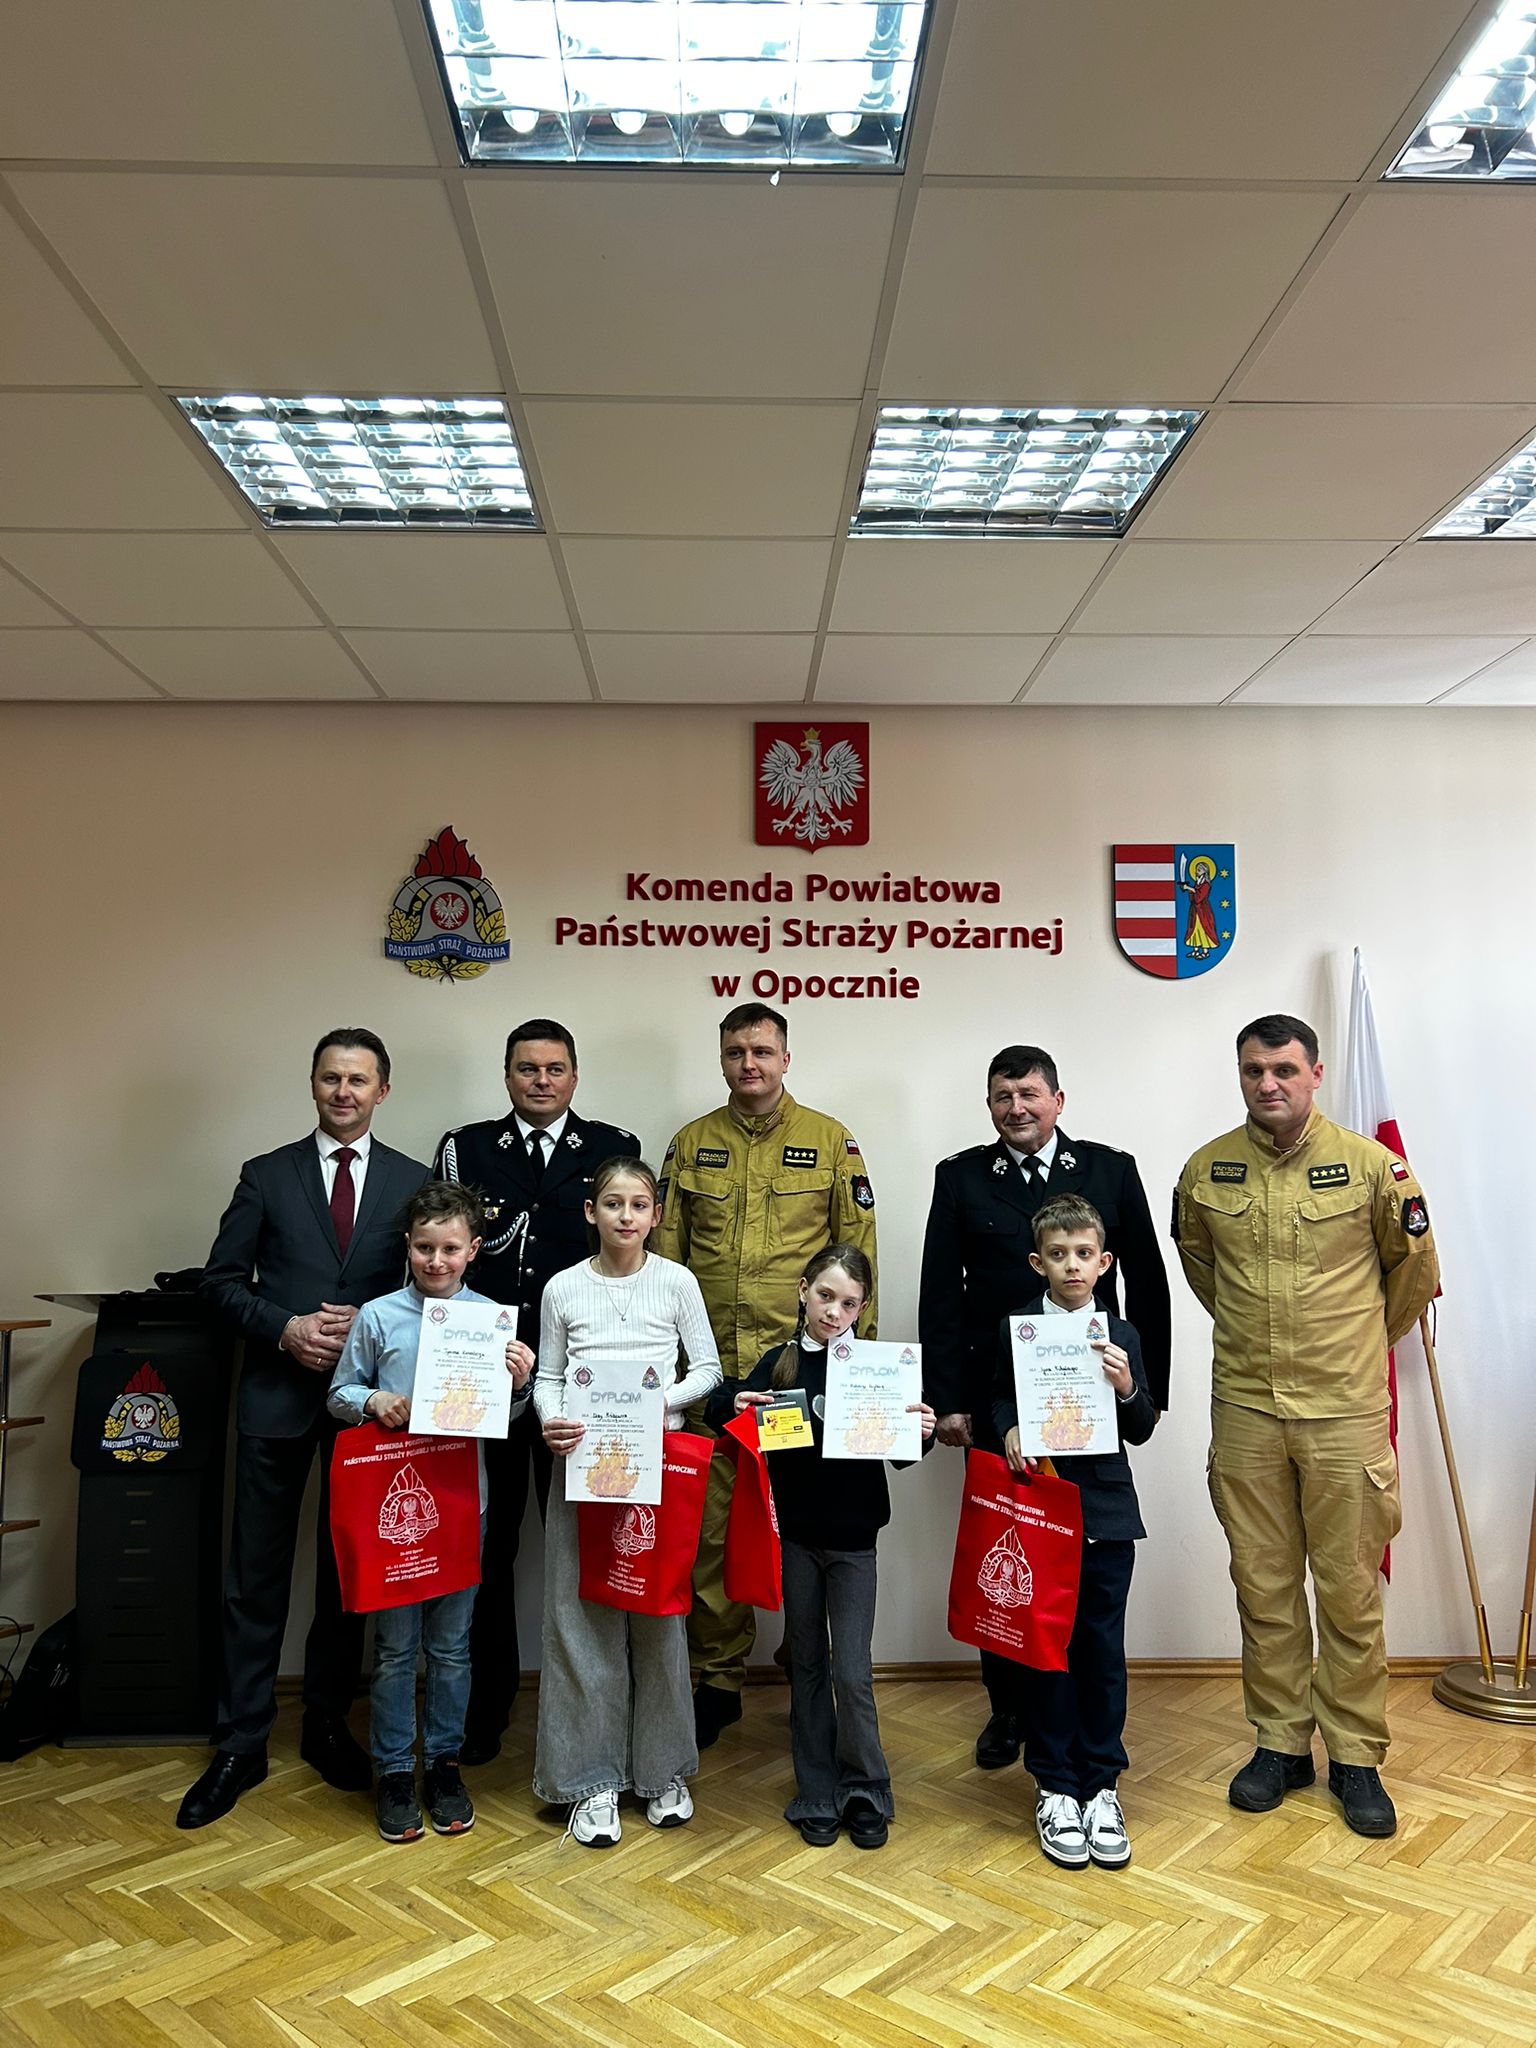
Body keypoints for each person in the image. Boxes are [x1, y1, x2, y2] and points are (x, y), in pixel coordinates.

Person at [1175, 1014, 1440, 1838]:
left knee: (1350, 1591)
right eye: (1254, 1070)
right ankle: (1281, 1744)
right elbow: (1202, 1270)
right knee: (1263, 1587)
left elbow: (1413, 1273)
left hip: (1344, 1412)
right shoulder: (1206, 1169)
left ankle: (1355, 1755)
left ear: (1315, 1073)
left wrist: (1349, 1348)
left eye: (1285, 1069)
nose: (1269, 1084)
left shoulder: (1372, 1167)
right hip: (1246, 1409)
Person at [177, 1029, 430, 1830]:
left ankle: (326, 1723)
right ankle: (241, 1742)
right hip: (276, 1398)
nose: (343, 1092)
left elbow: (432, 1289)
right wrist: (285, 1328)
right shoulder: (266, 1174)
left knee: (347, 1575)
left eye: (359, 1080)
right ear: (313, 1085)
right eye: (331, 1078)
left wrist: (381, 1334)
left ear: (383, 1090)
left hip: (369, 1409)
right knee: (254, 1576)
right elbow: (219, 1284)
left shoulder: (413, 1181)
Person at [918, 1043, 1169, 1771]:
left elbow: (1148, 1282)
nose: (1017, 1108)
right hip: (1000, 1404)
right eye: (1003, 1096)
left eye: (1030, 1094)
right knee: (1008, 1556)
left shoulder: (1109, 1171)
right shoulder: (962, 1177)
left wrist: (1146, 1392)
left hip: (1092, 1402)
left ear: (1058, 1100)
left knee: (1082, 1571)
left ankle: (1079, 1722)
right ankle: (1009, 1708)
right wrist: (950, 1401)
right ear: (989, 1105)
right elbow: (941, 1292)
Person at [655, 1002, 879, 1748]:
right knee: (718, 1530)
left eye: (762, 1050)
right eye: (735, 1052)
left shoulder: (830, 1140)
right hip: (721, 1377)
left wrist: (858, 1375)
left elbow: (859, 1256)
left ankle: (803, 1658)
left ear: (786, 1058)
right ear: (721, 1059)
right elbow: (665, 1262)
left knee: (807, 1518)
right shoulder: (692, 1144)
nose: (748, 1063)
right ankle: (719, 1675)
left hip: (803, 1374)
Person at [433, 1019, 639, 1764]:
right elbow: (438, 1256)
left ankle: (590, 1710)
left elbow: (628, 1261)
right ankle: (483, 1713)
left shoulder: (611, 1147)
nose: (541, 1081)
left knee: (585, 1546)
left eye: (554, 1069)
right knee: (488, 1546)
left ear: (574, 1077)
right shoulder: (467, 1149)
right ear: (508, 1076)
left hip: (580, 1384)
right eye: (527, 1068)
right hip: (482, 1380)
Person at [327, 1182, 535, 1842]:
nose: (436, 1261)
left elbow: (505, 1418)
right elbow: (339, 1392)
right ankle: (393, 1769)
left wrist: (519, 1385)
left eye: (450, 1249)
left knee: (451, 1647)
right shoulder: (379, 1316)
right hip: (395, 1508)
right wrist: (371, 1402)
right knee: (395, 1649)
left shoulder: (492, 1321)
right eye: (424, 1248)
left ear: (473, 1249)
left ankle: (443, 1764)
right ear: (408, 1247)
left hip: (464, 1503)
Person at [708, 1244, 933, 1849]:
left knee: (852, 1672)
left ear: (863, 1308)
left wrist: (922, 1433)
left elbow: (904, 1455)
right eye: (826, 1296)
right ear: (804, 1291)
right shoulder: (779, 1363)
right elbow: (723, 1410)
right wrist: (735, 1402)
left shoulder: (879, 1368)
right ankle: (815, 1790)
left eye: (849, 1303)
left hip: (855, 1542)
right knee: (806, 1663)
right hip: (796, 1540)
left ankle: (866, 1788)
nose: (835, 1312)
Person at [534, 1157, 723, 1846]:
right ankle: (591, 1780)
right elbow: (548, 1377)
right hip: (583, 1467)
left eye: (639, 1205)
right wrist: (551, 1419)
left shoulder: (676, 1282)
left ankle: (662, 1771)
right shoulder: (562, 1288)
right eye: (612, 1203)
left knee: (659, 1618)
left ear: (655, 1216)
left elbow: (708, 1370)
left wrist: (654, 1404)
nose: (625, 1216)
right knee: (581, 1622)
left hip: (656, 1465)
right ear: (592, 1213)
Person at [992, 1196, 1157, 1870]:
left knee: (1101, 1652)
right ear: (1039, 1262)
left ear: (1104, 1261)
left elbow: (1142, 1426)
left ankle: (1101, 1785)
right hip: (1042, 1509)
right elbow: (999, 1396)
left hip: (1107, 1514)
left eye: (1084, 1254)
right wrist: (1007, 1426)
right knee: (1047, 1652)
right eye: (1058, 1255)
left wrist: (1126, 1386)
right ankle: (1056, 1786)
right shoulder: (1020, 1329)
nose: (1072, 1265)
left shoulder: (1122, 1334)